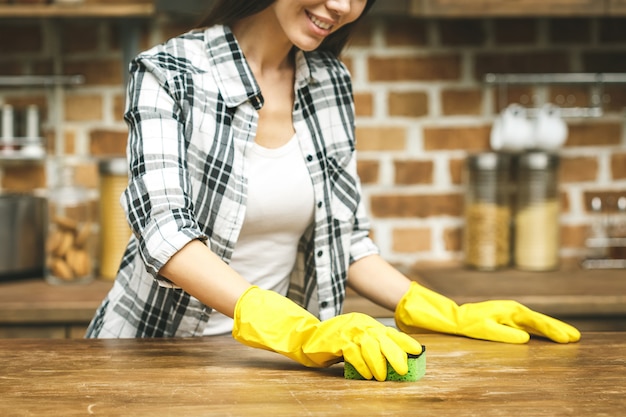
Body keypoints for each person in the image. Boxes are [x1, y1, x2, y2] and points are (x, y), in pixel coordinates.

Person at [86, 0, 581, 381]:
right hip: (155, 358)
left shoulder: (329, 81)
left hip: (269, 368)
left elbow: (343, 236)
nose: (342, 7)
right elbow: (164, 233)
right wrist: (297, 329)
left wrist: (436, 309)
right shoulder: (169, 72)